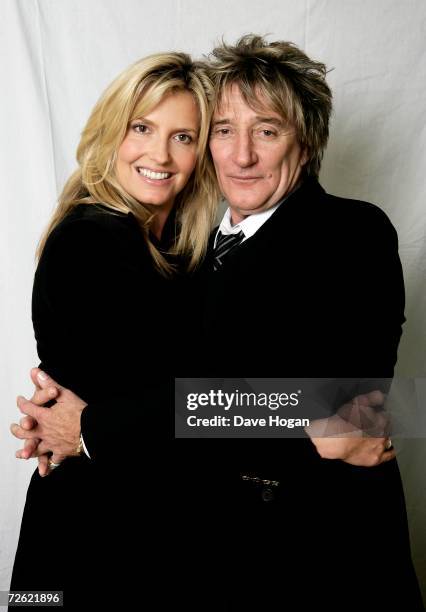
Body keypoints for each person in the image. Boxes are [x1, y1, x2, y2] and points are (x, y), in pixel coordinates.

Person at [12, 35, 424, 610]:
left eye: (267, 130)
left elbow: (359, 410)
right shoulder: (120, 242)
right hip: (102, 546)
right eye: (223, 131)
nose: (241, 155)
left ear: (305, 146)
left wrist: (94, 428)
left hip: (321, 565)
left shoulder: (348, 233)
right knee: (40, 603)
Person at [8, 51, 218, 610]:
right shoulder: (92, 239)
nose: (159, 154)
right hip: (88, 534)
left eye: (183, 137)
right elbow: (185, 390)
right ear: (111, 132)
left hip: (129, 522)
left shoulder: (178, 250)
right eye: (142, 128)